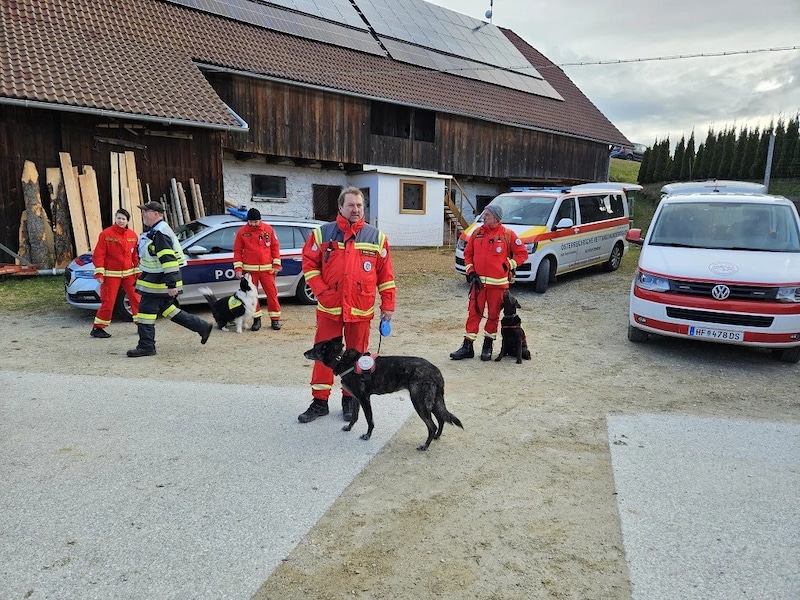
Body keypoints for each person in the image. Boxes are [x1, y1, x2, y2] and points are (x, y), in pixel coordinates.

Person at [298, 186, 396, 423]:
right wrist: (322, 292)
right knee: (324, 357)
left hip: (360, 310)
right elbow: (309, 265)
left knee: (356, 359)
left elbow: (386, 276)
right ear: (340, 207)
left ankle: (349, 400)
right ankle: (319, 402)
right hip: (329, 310)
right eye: (351, 205)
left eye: (359, 205)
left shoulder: (377, 238)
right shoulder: (322, 234)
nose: (355, 209)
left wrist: (388, 305)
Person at [126, 201, 213, 357]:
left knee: (145, 313)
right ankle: (202, 327)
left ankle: (146, 346)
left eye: (146, 211)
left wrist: (171, 284)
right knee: (168, 310)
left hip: (159, 281)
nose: (143, 214)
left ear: (156, 214)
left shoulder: (160, 232)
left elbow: (169, 260)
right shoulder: (156, 230)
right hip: (158, 279)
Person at [450, 204, 528, 361]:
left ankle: (487, 346)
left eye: (487, 215)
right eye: (484, 214)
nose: (483, 217)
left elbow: (522, 254)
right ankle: (467, 347)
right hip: (478, 284)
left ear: (496, 218)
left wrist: (508, 265)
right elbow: (468, 254)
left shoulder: (508, 234)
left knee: (493, 316)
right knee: (473, 314)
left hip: (498, 286)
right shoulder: (477, 233)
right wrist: (471, 272)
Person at [90, 208, 140, 338]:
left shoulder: (132, 235)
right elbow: (99, 255)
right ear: (115, 219)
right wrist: (99, 273)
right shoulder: (106, 234)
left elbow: (135, 255)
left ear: (127, 221)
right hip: (111, 274)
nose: (121, 221)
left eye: (123, 219)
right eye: (119, 218)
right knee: (108, 301)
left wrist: (138, 272)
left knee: (136, 299)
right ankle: (98, 328)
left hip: (129, 274)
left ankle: (142, 325)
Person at [233, 208, 282, 331]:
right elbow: (237, 251)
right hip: (250, 271)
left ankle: (275, 320)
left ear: (260, 220)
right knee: (252, 297)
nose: (253, 224)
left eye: (255, 222)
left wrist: (276, 265)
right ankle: (257, 319)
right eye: (250, 221)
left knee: (272, 295)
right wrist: (238, 268)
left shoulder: (268, 229)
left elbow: (275, 248)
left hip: (267, 270)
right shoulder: (242, 232)